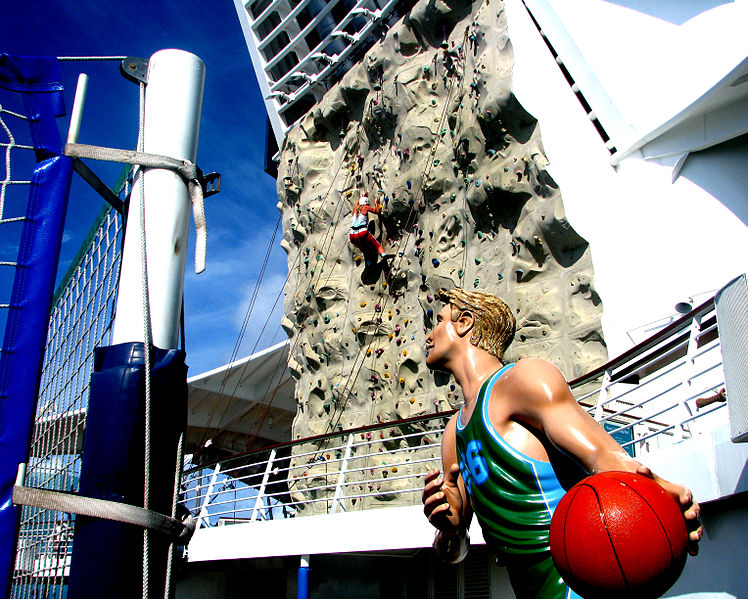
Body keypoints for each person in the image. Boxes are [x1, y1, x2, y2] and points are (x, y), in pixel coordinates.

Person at [421, 288, 702, 599]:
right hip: (524, 586)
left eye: (439, 320)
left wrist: (658, 489)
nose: (429, 335)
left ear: (464, 323)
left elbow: (600, 454)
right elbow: (455, 552)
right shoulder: (452, 434)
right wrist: (451, 528)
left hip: (576, 577)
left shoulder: (522, 379)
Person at [348, 193, 388, 268]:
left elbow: (357, 202)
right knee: (377, 245)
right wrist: (376, 203)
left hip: (352, 234)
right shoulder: (365, 207)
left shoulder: (355, 209)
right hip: (362, 231)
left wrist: (362, 197)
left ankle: (369, 263)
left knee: (364, 248)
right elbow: (377, 211)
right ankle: (384, 255)